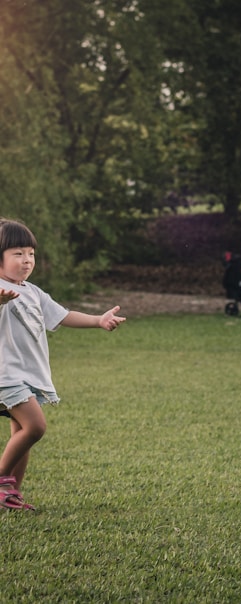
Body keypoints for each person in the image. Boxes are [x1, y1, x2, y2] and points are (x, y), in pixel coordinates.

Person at [0, 218, 126, 510]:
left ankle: (10, 495)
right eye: (17, 253)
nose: (26, 260)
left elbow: (62, 315)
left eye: (30, 253)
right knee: (35, 427)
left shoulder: (32, 291)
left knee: (22, 433)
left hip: (29, 374)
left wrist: (98, 320)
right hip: (6, 375)